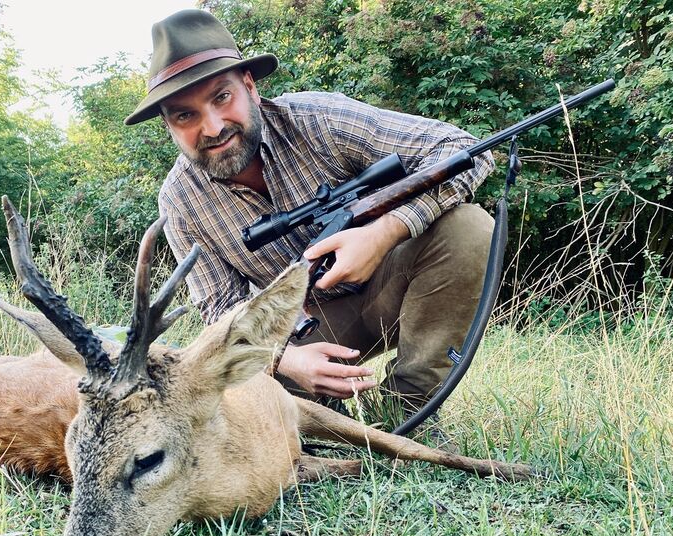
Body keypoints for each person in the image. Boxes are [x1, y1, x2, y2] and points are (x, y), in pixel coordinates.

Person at [125, 9, 495, 436]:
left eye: (221, 97)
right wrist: (285, 360)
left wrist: (383, 232)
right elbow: (219, 312)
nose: (212, 127)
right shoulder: (179, 200)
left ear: (250, 86)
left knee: (467, 227)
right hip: (295, 329)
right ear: (169, 126)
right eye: (184, 116)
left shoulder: (319, 119)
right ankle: (322, 428)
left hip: (390, 285)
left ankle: (408, 413)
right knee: (252, 409)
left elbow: (463, 148)